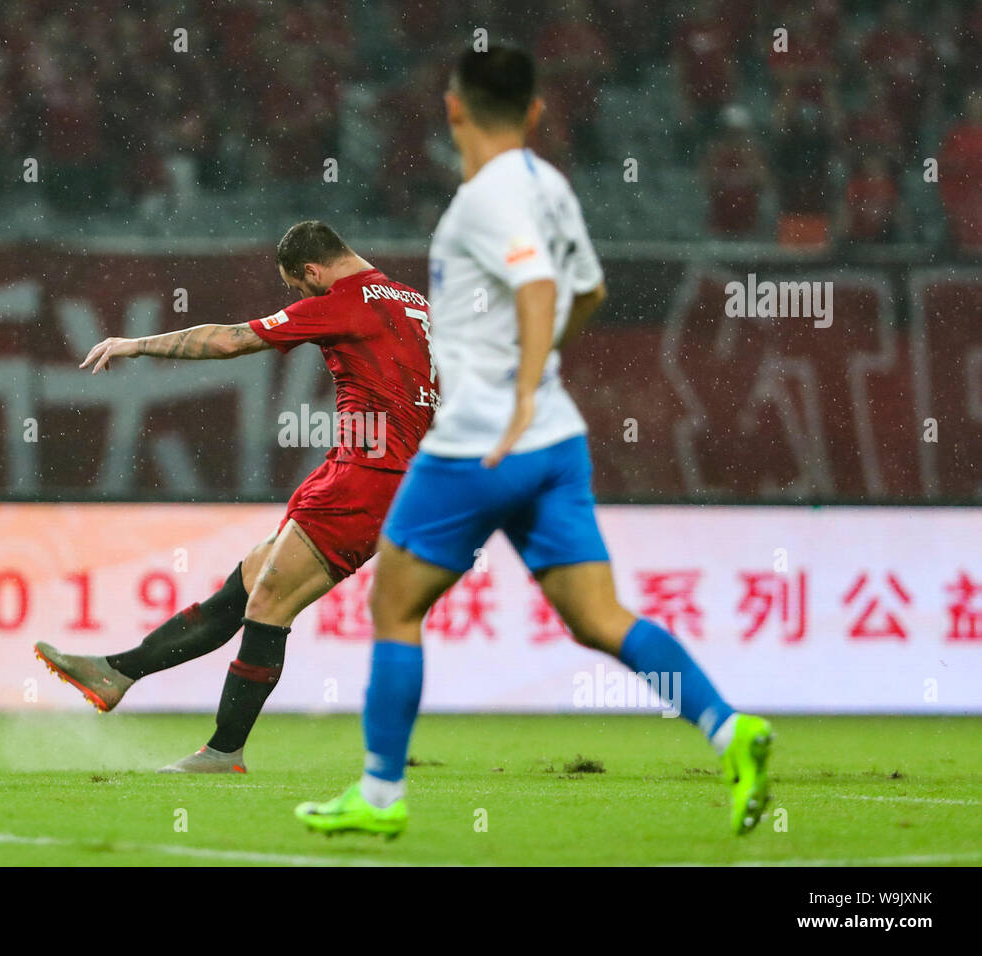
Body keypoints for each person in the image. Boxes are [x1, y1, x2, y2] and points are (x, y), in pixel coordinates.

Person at [296, 45, 773, 839]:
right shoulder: (550, 186)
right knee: (599, 618)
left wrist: (513, 393)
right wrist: (539, 373)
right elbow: (589, 290)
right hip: (555, 444)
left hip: (481, 440)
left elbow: (542, 286)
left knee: (395, 603)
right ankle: (729, 728)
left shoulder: (486, 200)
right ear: (537, 111)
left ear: (453, 110)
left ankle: (380, 796)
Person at [35, 221, 436, 773]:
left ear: (314, 271)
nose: (298, 298)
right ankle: (117, 671)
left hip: (367, 475)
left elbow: (231, 339)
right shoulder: (410, 300)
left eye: (298, 287)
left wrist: (137, 345)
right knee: (246, 585)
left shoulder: (345, 300)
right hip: (376, 471)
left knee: (269, 601)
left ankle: (225, 752)